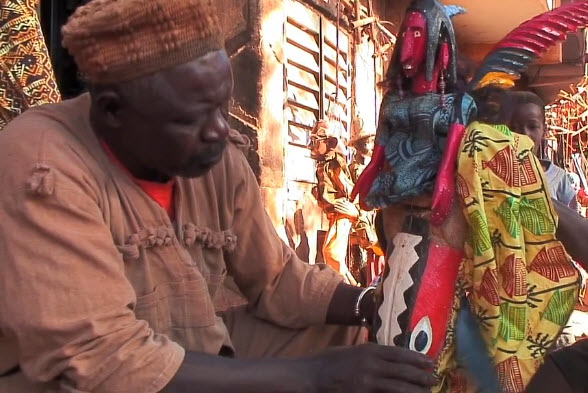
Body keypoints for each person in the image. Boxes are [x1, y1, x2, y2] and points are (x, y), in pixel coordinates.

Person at [0, 1, 437, 392]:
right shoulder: (43, 165)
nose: (219, 129)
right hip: (82, 378)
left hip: (189, 343)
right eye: (190, 117)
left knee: (360, 345)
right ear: (112, 110)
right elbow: (102, 361)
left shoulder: (212, 158)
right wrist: (315, 376)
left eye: (221, 106)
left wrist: (374, 305)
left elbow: (276, 280)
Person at [510, 91, 578, 211]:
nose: (525, 134)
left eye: (532, 126)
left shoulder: (559, 179)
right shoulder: (494, 176)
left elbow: (574, 224)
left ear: (544, 131)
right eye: (514, 127)